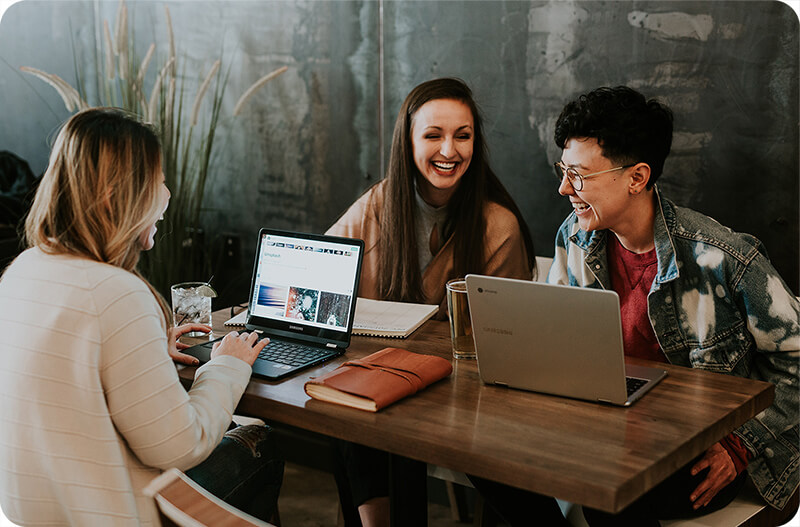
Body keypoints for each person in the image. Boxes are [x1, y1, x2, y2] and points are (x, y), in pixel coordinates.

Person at [476, 85, 800, 526]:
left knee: (609, 487)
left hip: (696, 446)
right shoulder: (575, 237)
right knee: (486, 456)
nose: (562, 188)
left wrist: (739, 443)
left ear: (636, 177)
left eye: (579, 175)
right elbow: (557, 351)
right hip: (607, 427)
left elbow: (796, 360)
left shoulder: (722, 258)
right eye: (563, 170)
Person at [0, 108, 283, 526]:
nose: (167, 193)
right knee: (262, 440)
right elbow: (180, 446)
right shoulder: (117, 292)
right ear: (122, 193)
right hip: (109, 514)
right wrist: (227, 365)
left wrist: (147, 344)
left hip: (31, 513)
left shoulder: (22, 270)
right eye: (159, 179)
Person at [326, 77, 536, 526]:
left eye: (463, 136)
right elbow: (326, 268)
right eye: (433, 135)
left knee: (385, 419)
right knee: (346, 406)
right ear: (408, 141)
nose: (450, 150)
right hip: (383, 379)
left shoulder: (498, 227)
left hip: (463, 395)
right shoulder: (381, 202)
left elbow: (504, 343)